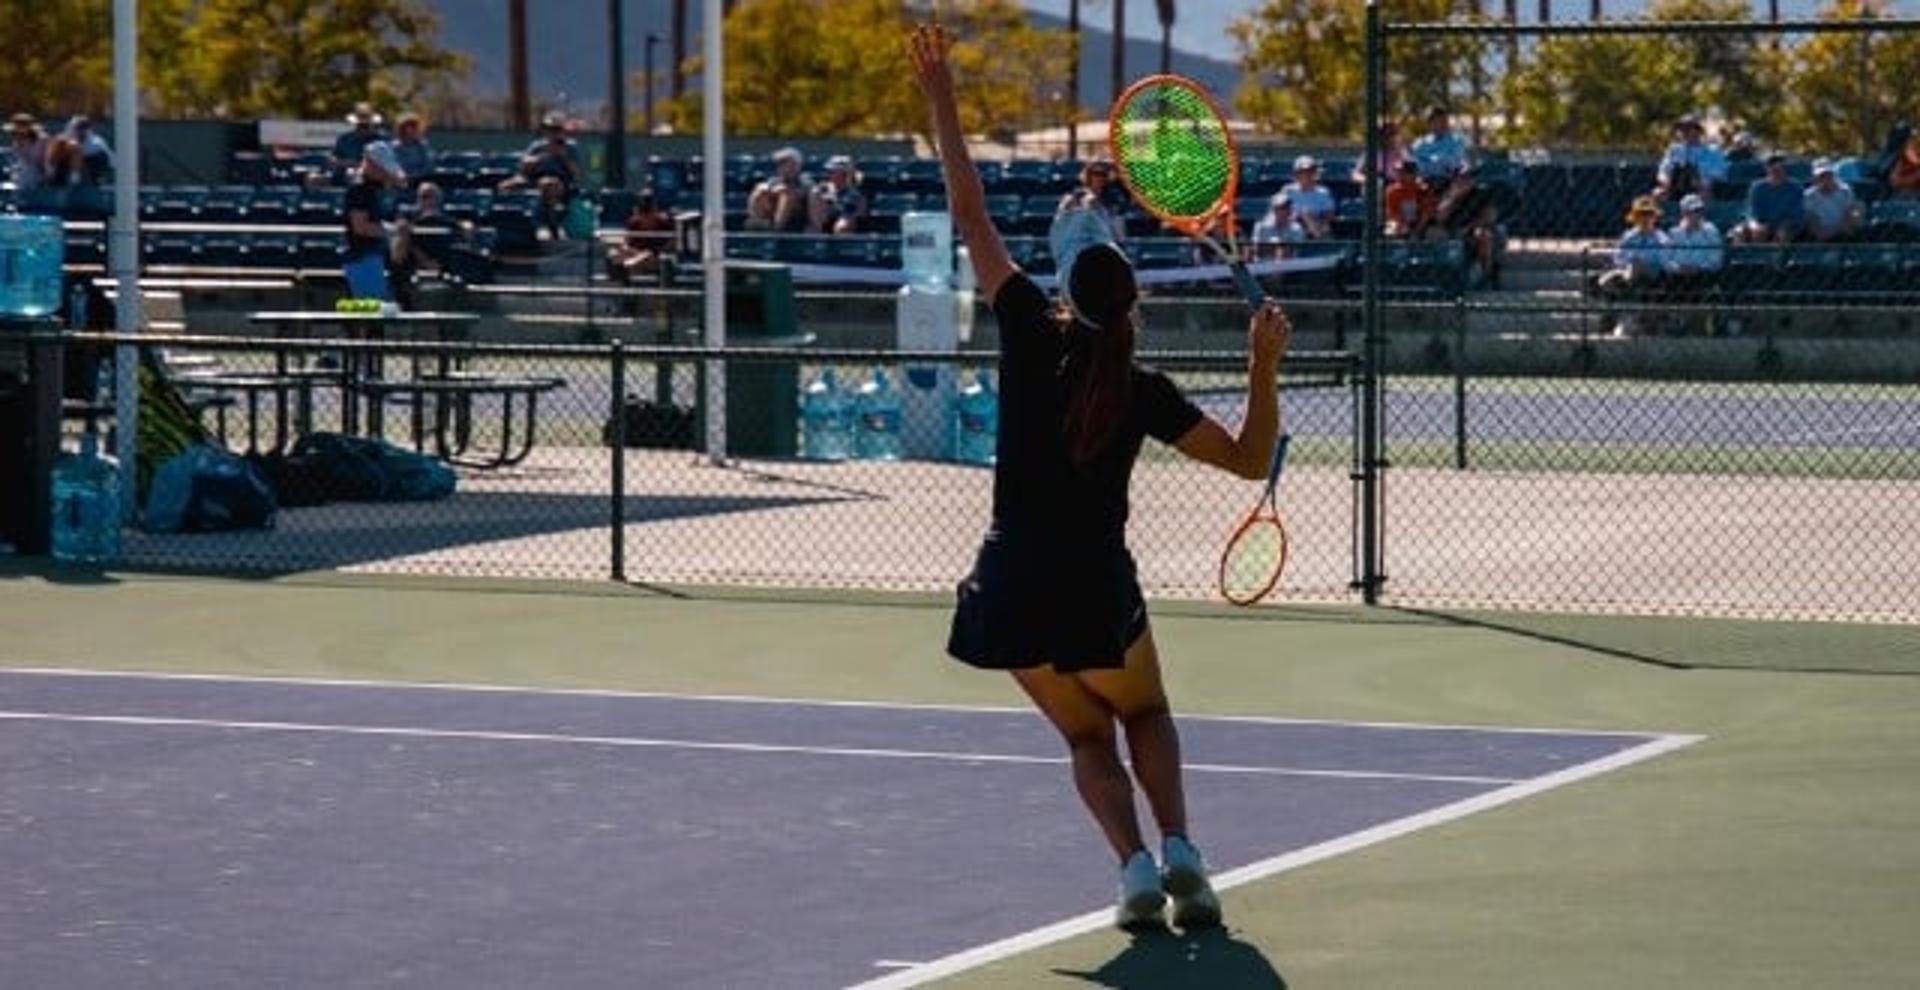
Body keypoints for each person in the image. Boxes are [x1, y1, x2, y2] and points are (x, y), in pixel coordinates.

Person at [911, 23, 1292, 933]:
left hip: (1009, 581)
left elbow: (971, 215)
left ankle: (1131, 874)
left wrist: (943, 102)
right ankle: (1184, 855)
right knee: (1145, 710)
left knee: (1086, 734)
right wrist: (1263, 367)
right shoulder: (1144, 387)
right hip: (1093, 583)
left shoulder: (1028, 330)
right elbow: (1247, 460)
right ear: (1133, 304)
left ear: (1066, 295)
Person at [342, 141, 409, 301]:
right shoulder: (359, 190)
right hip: (362, 257)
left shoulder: (384, 190)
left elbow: (395, 217)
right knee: (370, 313)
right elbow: (360, 227)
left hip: (383, 256)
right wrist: (393, 231)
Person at [1596, 195, 1669, 336]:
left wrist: (1645, 264)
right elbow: (1619, 258)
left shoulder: (1662, 238)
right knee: (1604, 280)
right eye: (1641, 214)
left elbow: (1665, 261)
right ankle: (1610, 319)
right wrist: (1632, 262)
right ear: (1636, 217)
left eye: (1649, 214)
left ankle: (1634, 320)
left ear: (1654, 217)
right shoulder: (1629, 236)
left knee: (1640, 272)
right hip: (1628, 273)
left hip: (1653, 276)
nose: (1645, 218)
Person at [1434, 163, 1505, 287]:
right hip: (1450, 229)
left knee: (1483, 235)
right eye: (1461, 177)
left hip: (1473, 229)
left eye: (1469, 177)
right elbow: (1440, 217)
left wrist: (1468, 228)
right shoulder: (1447, 191)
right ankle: (1438, 274)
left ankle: (1487, 274)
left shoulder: (1483, 192)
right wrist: (1454, 197)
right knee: (1435, 233)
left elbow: (1490, 216)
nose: (1465, 181)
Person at [607, 189, 677, 281]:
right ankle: (622, 280)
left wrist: (662, 249)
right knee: (613, 254)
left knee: (647, 255)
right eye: (643, 201)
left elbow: (672, 240)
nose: (645, 204)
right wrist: (628, 249)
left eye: (647, 201)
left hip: (653, 256)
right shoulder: (633, 221)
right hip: (635, 252)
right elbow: (627, 242)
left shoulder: (662, 220)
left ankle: (627, 266)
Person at [1654, 115, 1727, 202]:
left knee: (1705, 192)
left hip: (1701, 188)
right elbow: (1663, 171)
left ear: (1699, 131)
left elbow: (1720, 174)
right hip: (1676, 187)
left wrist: (1701, 180)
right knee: (1657, 193)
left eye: (1688, 128)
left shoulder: (1713, 151)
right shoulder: (1674, 150)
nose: (1684, 132)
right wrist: (1666, 182)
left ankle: (1699, 215)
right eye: (1681, 129)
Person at [1736, 152, 1803, 244]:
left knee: (1784, 233)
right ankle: (1746, 257)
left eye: (1780, 168)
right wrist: (1755, 225)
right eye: (1772, 167)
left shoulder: (1795, 187)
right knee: (1739, 232)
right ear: (1766, 168)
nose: (1777, 171)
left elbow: (1795, 215)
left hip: (1786, 225)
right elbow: (1751, 213)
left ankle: (1778, 257)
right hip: (1762, 224)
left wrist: (1782, 227)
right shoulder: (1757, 187)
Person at [1056, 159, 1128, 242]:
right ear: (1088, 175)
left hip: (1105, 241)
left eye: (1104, 174)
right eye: (1096, 173)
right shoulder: (1076, 195)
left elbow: (1119, 234)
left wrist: (1099, 208)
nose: (1100, 178)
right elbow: (1063, 219)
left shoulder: (1113, 198)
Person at [1801, 158, 1861, 243]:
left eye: (1828, 175)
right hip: (1819, 236)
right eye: (1822, 176)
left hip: (1842, 233)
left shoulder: (1845, 191)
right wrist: (1821, 234)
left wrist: (1842, 229)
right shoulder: (1809, 195)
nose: (1825, 179)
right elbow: (1811, 219)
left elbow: (1850, 212)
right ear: (1815, 178)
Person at [808, 155, 868, 234]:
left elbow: (860, 214)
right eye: (830, 171)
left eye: (833, 171)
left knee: (842, 226)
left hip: (843, 226)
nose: (830, 174)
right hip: (822, 225)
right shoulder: (821, 189)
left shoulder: (856, 195)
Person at [1409, 105, 1470, 182]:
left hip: (1450, 182)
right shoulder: (1420, 144)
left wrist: (1430, 161)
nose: (1442, 125)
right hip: (1425, 183)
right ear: (1429, 124)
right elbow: (1415, 164)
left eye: (1444, 121)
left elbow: (1455, 162)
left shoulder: (1456, 140)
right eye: (1437, 122)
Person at [1280, 155, 1335, 239]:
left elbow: (1329, 215)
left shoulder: (1323, 192)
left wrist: (1313, 223)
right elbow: (1280, 212)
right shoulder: (1288, 191)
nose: (1307, 175)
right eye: (1303, 172)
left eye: (1311, 171)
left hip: (1317, 226)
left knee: (1325, 230)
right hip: (1292, 227)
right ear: (1297, 174)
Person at [1383, 159, 1438, 240]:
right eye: (1398, 172)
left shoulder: (1423, 189)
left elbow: (1426, 213)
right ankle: (1397, 251)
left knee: (1435, 233)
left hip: (1420, 224)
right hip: (1400, 222)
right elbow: (1392, 214)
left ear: (1413, 174)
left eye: (1403, 172)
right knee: (1391, 229)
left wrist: (1417, 230)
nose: (1399, 175)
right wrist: (1403, 225)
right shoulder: (1392, 190)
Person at [333, 102, 388, 172]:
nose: (363, 128)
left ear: (372, 124)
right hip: (345, 179)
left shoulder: (382, 141)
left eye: (366, 126)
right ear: (355, 124)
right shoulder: (344, 139)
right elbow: (334, 158)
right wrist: (345, 162)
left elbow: (387, 164)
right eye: (360, 125)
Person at [1352, 119, 1408, 187]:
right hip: (1376, 189)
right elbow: (1355, 175)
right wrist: (1368, 180)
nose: (1391, 138)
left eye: (1394, 134)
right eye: (1388, 134)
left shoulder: (1402, 153)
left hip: (1395, 189)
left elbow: (1408, 174)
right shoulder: (1371, 153)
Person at [1249, 193, 1306, 259]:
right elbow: (1255, 248)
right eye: (1283, 208)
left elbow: (1295, 251)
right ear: (1274, 210)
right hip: (1263, 264)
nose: (1287, 211)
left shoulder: (1296, 228)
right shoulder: (1261, 226)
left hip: (1289, 266)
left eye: (1288, 207)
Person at [7, 113, 51, 192]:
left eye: (23, 125)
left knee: (29, 171)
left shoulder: (43, 138)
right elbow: (22, 159)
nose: (20, 129)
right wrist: (20, 146)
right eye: (18, 126)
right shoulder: (17, 140)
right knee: (24, 169)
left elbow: (44, 158)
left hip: (40, 169)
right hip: (24, 170)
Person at [391, 112, 435, 182]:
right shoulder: (393, 148)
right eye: (411, 127)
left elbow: (429, 166)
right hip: (399, 182)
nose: (414, 130)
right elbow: (393, 167)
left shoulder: (423, 146)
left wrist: (417, 175)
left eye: (415, 127)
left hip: (420, 181)